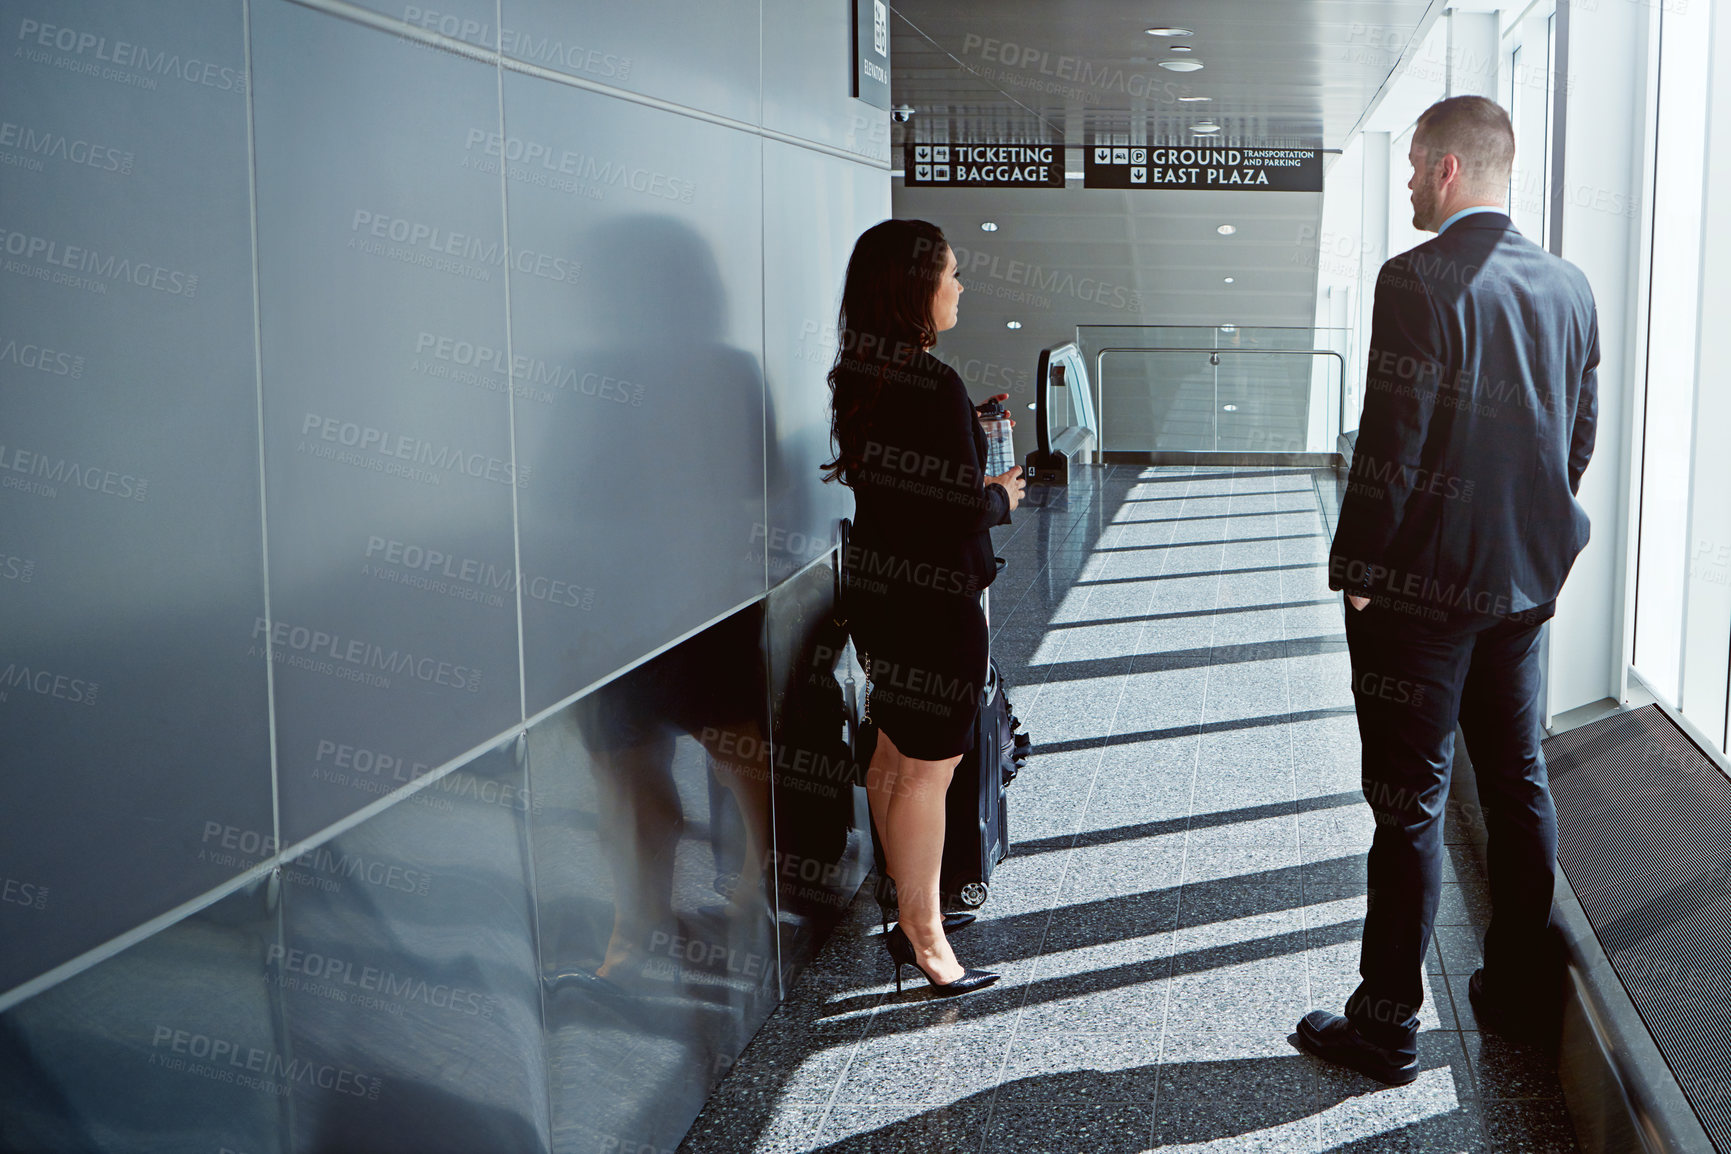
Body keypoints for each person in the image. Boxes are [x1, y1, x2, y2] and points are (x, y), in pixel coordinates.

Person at [1295, 95, 1599, 1082]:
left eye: (1416, 165)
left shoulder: (1416, 278)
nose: (1410, 182)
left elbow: (1395, 436)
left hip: (1423, 598)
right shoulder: (1569, 285)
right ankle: (1514, 990)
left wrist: (1360, 570)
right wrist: (1531, 533)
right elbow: (1576, 433)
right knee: (1518, 782)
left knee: (1409, 801)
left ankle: (1386, 1024)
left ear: (1450, 169)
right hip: (1523, 589)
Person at [823, 219, 1026, 996]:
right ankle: (925, 936)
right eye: (950, 273)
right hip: (933, 605)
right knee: (926, 772)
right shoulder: (930, 383)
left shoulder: (862, 373)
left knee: (892, 757)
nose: (959, 287)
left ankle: (911, 911)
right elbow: (951, 509)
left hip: (882, 597)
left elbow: (904, 492)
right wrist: (998, 494)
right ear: (916, 286)